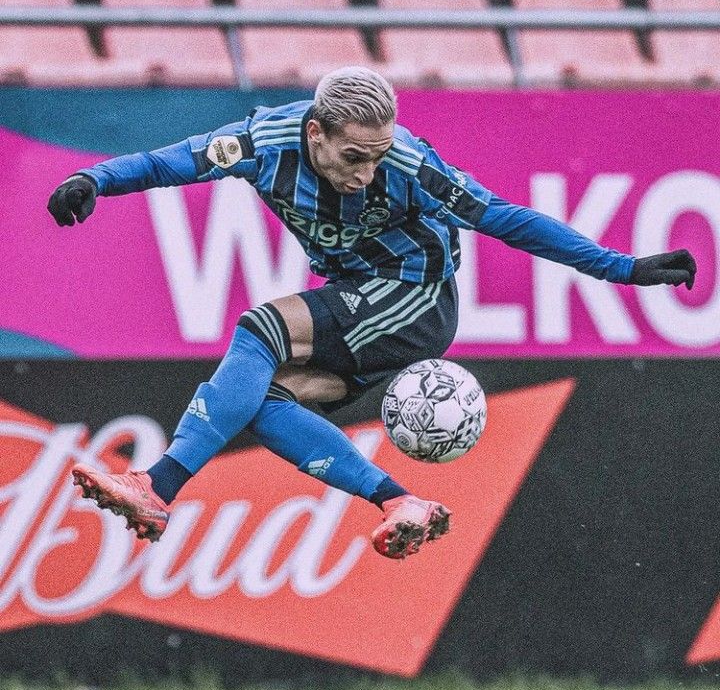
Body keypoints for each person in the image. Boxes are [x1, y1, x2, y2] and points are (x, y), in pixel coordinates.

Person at [47, 67, 696, 560]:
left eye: (377, 154)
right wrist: (94, 180)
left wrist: (621, 268)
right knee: (262, 402)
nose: (367, 170)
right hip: (359, 289)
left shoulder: (409, 163)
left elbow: (504, 218)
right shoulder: (261, 141)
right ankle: (401, 501)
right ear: (314, 133)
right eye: (354, 156)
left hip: (416, 294)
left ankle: (156, 487)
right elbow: (169, 162)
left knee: (260, 332)